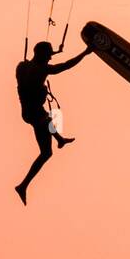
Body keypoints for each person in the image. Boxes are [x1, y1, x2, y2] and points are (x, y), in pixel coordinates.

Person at [14, 41, 91, 205]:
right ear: (42, 54)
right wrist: (85, 52)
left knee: (46, 136)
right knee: (46, 143)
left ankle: (60, 139)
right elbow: (65, 66)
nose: (50, 57)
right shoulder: (43, 69)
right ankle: (23, 186)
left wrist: (55, 52)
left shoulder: (21, 66)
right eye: (49, 54)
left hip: (29, 112)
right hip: (34, 113)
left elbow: (38, 60)